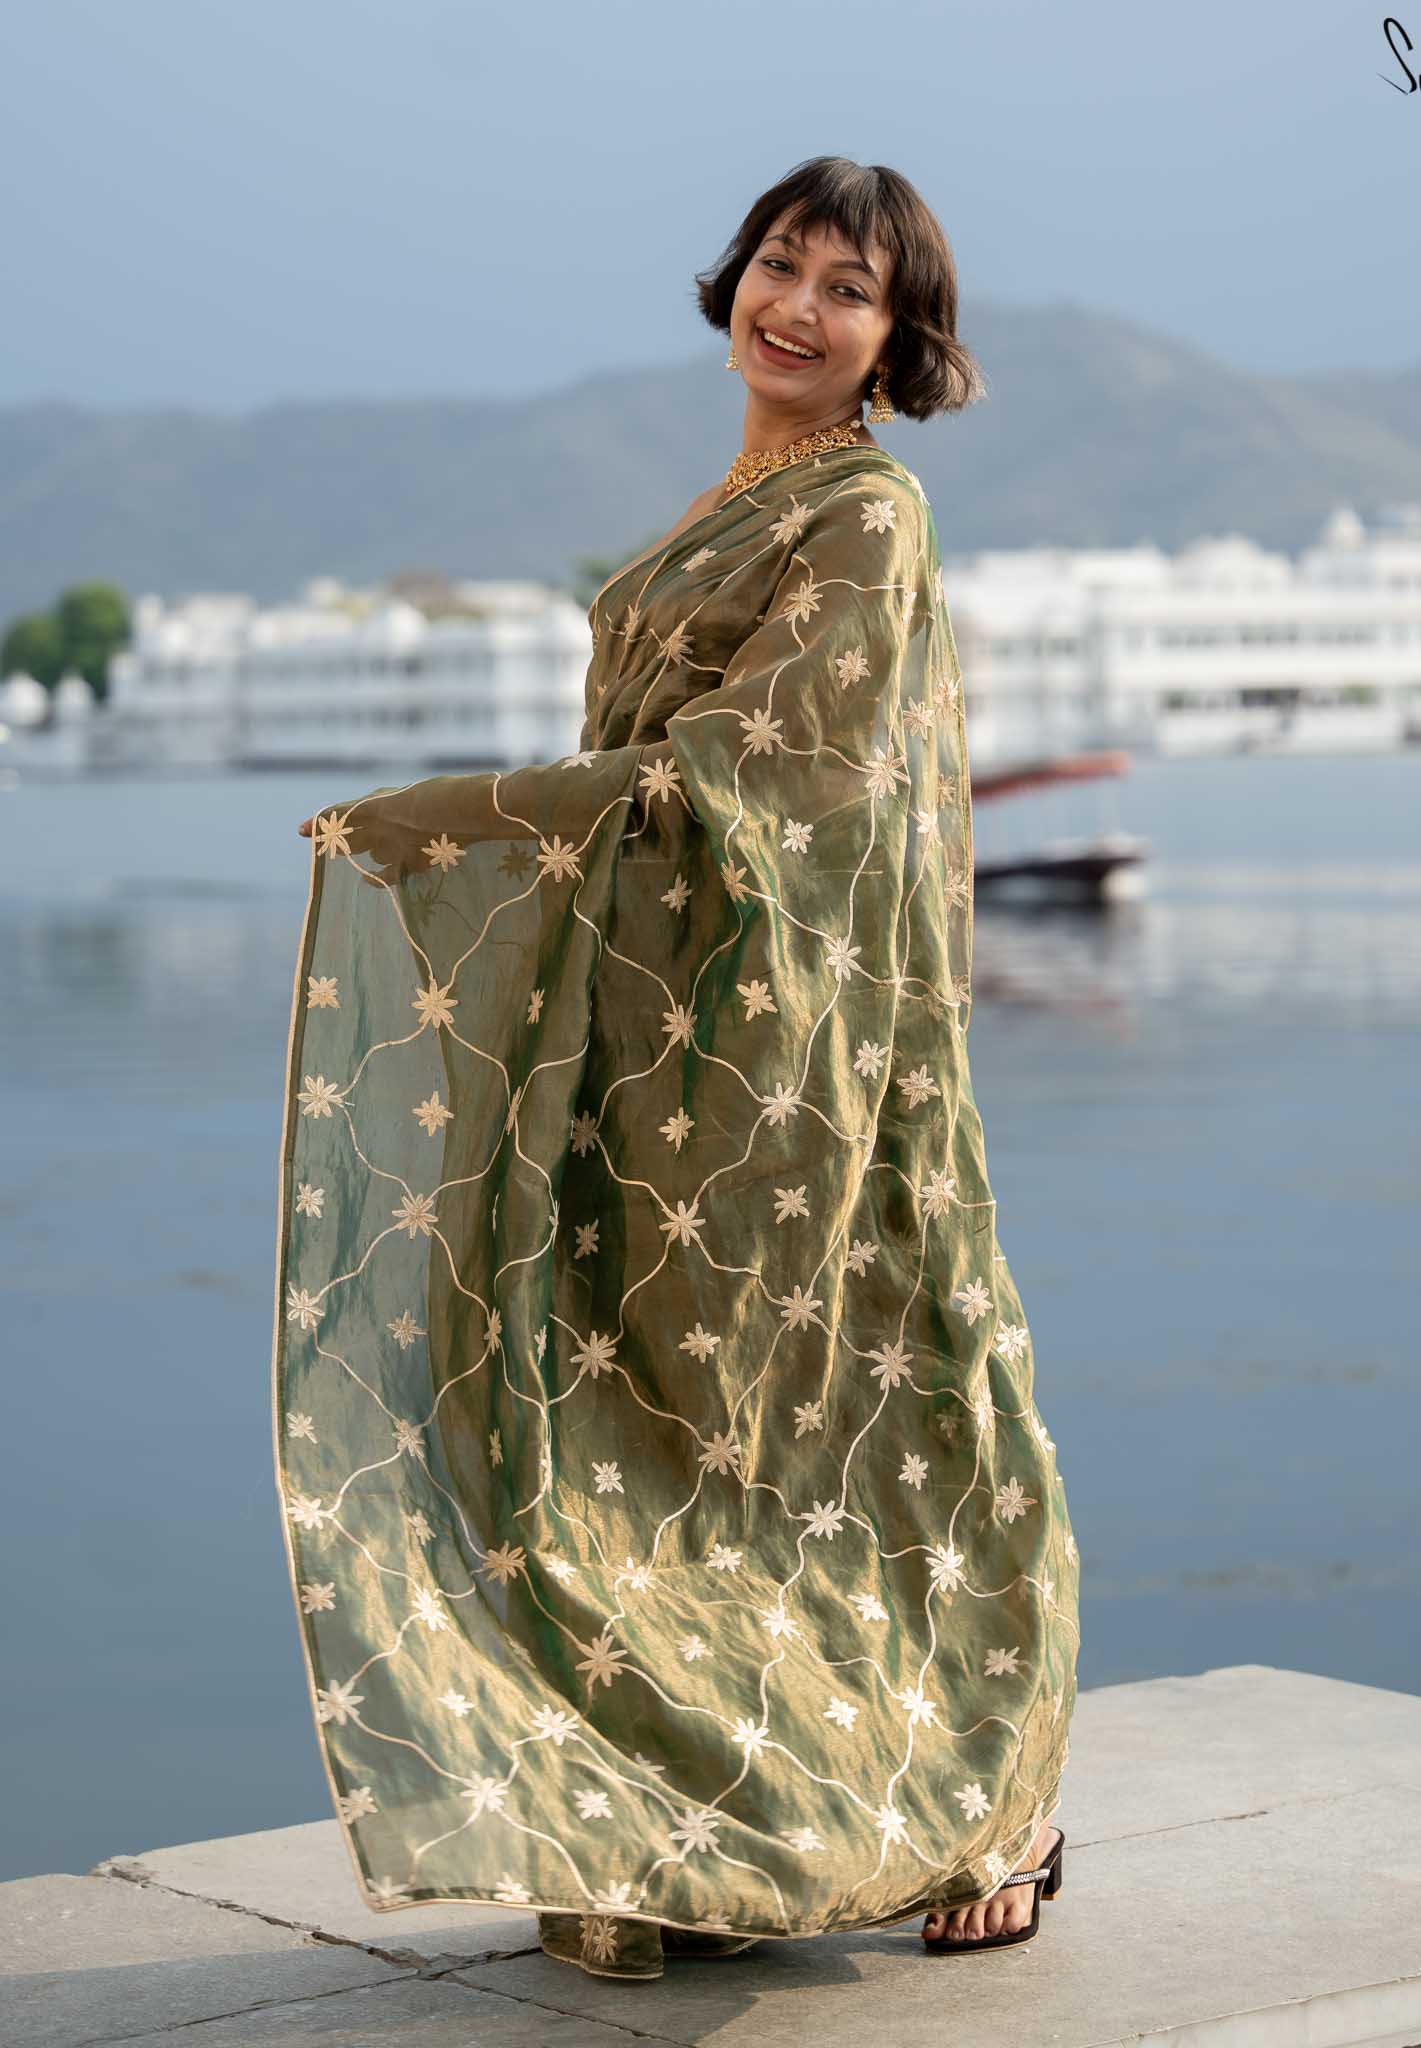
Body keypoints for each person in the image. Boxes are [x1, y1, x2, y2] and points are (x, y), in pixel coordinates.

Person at [281, 154, 1078, 1982]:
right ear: (735, 281)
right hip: (644, 1025)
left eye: (849, 289)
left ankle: (999, 1803)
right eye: (781, 265)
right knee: (630, 1409)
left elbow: (759, 773)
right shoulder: (739, 498)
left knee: (871, 1381)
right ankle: (687, 1809)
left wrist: (466, 815)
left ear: (898, 339)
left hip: (793, 1041)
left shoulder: (865, 517)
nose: (798, 306)